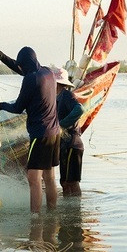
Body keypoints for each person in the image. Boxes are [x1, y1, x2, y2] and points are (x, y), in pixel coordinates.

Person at [0, 45, 60, 214]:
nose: (20, 68)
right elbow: (20, 67)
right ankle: (52, 213)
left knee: (34, 179)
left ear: (25, 64)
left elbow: (17, 107)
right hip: (54, 132)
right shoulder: (47, 73)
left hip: (40, 135)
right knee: (50, 177)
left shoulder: (31, 79)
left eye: (21, 65)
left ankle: (35, 218)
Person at [54, 67, 84, 196]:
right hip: (64, 145)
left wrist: (61, 125)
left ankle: (76, 212)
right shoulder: (57, 97)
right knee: (64, 182)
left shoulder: (66, 95)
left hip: (72, 143)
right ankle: (69, 211)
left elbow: (79, 109)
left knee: (71, 182)